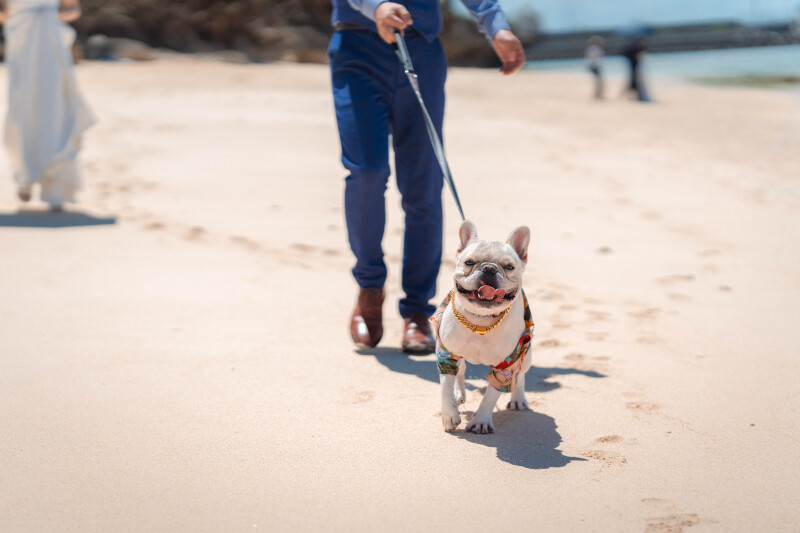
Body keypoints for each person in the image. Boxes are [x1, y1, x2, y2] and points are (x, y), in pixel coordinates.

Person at [329, 0, 526, 353]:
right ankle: (370, 288)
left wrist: (496, 25)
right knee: (367, 173)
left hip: (422, 51)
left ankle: (418, 310)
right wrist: (375, 6)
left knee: (424, 186)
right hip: (357, 47)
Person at [1, 0, 95, 211]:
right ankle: (24, 175)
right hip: (22, 42)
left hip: (50, 44)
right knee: (22, 108)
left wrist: (48, 17)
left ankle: (56, 189)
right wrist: (25, 18)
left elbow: (73, 10)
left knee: (54, 107)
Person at [621, 37, 651, 102]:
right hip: (635, 70)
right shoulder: (634, 51)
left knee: (634, 84)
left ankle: (635, 96)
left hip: (634, 70)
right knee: (634, 84)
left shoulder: (633, 50)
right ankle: (636, 96)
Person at [585, 35, 605, 100]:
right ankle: (598, 95)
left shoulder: (589, 48)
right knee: (599, 81)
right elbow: (601, 55)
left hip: (591, 65)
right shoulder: (597, 48)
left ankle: (597, 94)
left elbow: (588, 56)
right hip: (596, 65)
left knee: (597, 81)